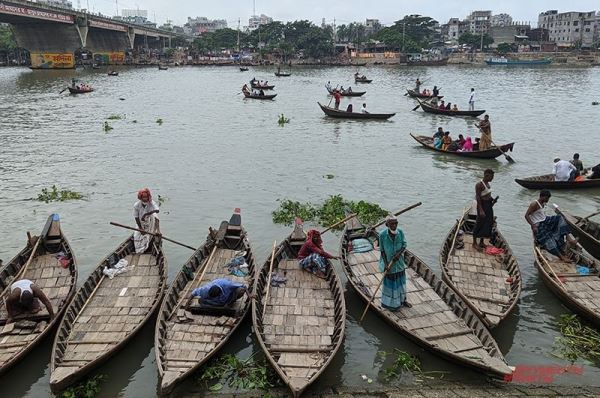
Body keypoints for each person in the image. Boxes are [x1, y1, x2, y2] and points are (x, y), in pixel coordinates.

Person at [525, 190, 574, 262]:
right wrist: (533, 226)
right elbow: (526, 215)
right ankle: (562, 257)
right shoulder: (534, 204)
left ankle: (568, 238)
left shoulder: (543, 203)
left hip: (545, 220)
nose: (548, 200)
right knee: (549, 240)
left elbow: (541, 215)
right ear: (542, 196)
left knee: (560, 218)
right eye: (547, 198)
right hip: (538, 224)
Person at [378, 215, 411, 310]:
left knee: (401, 283)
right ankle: (391, 305)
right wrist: (386, 263)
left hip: (399, 263)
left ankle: (403, 301)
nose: (394, 225)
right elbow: (382, 251)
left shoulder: (400, 232)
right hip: (389, 264)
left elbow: (404, 245)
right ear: (387, 224)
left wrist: (398, 254)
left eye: (396, 223)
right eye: (392, 223)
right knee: (390, 286)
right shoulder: (382, 235)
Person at [472, 169, 497, 251]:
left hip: (488, 205)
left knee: (487, 223)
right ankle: (474, 243)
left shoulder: (488, 184)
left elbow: (488, 195)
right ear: (486, 175)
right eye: (491, 176)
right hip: (482, 205)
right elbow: (478, 197)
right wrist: (481, 210)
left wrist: (493, 200)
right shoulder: (479, 184)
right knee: (479, 223)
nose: (492, 178)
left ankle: (481, 242)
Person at [133, 188, 160, 253]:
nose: (145, 199)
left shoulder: (151, 202)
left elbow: (157, 210)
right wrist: (140, 228)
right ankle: (140, 251)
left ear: (148, 197)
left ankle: (147, 247)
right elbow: (136, 217)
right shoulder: (136, 205)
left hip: (150, 221)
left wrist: (146, 214)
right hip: (140, 223)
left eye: (146, 197)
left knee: (148, 236)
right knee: (136, 236)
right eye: (143, 197)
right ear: (140, 197)